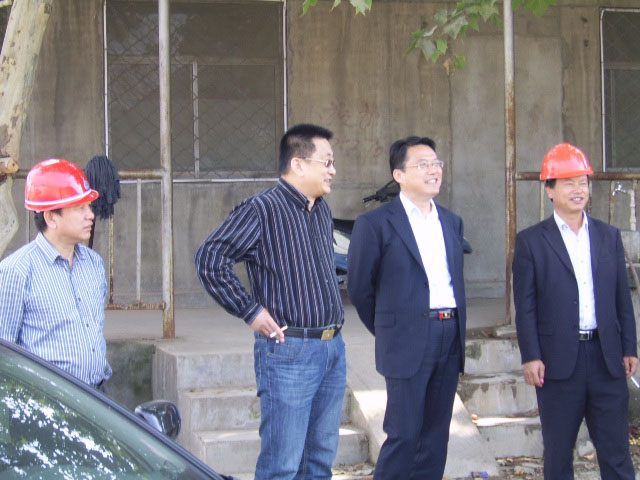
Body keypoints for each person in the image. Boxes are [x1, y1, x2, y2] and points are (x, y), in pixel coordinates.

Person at [195, 124, 345, 480]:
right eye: (326, 162)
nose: (333, 170)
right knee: (282, 467)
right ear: (298, 164)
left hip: (332, 349)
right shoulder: (262, 209)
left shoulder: (321, 210)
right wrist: (250, 311)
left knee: (319, 463)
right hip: (289, 351)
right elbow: (210, 258)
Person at [513, 143, 638, 479]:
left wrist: (629, 347)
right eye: (568, 183)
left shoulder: (608, 236)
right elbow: (525, 306)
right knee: (558, 454)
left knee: (616, 452)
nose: (578, 189)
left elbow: (621, 298)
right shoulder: (531, 242)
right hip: (557, 362)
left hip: (606, 357)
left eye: (583, 182)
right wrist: (531, 356)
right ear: (549, 189)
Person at [347, 136, 467, 480]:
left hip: (449, 332)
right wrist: (392, 328)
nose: (433, 170)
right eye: (423, 164)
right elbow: (360, 288)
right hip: (407, 338)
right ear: (398, 175)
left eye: (436, 163)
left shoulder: (451, 222)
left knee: (435, 436)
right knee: (404, 434)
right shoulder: (376, 223)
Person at [0, 158, 111, 390]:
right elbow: (4, 354)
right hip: (47, 400)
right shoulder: (17, 271)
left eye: (89, 207)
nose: (90, 215)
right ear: (51, 217)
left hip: (97, 395)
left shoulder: (94, 264)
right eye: (80, 208)